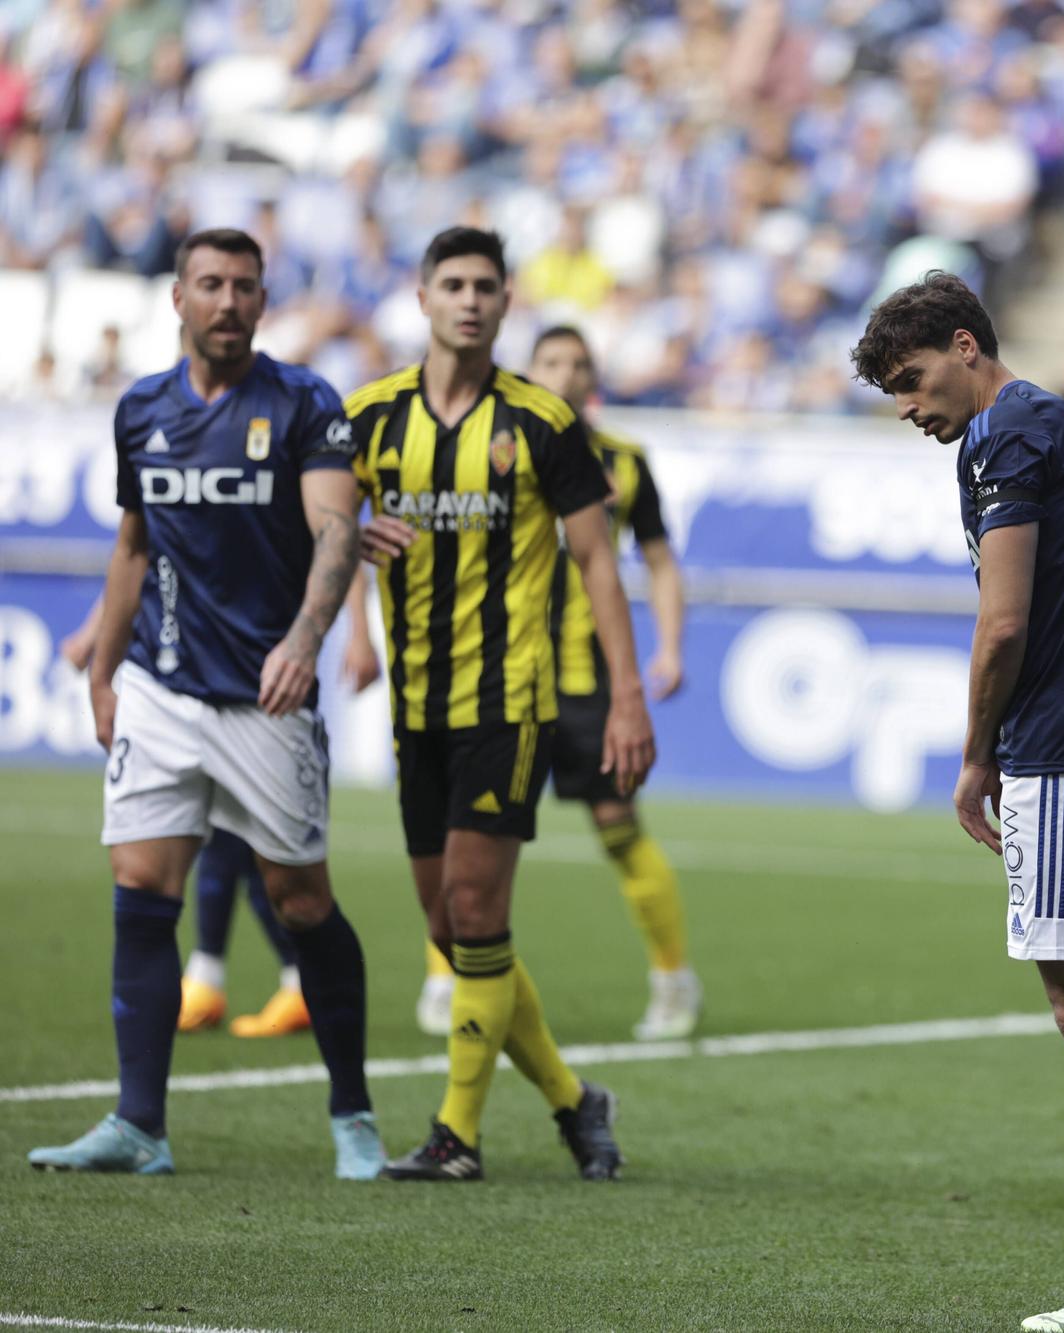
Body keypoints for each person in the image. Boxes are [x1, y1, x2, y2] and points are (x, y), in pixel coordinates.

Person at [850, 272, 1064, 1333]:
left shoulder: (1000, 437)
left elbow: (1000, 624)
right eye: (896, 396)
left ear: (967, 345)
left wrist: (976, 757)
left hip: (1058, 751)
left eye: (915, 382)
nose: (912, 408)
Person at [28, 229, 381, 1180]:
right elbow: (133, 547)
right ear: (178, 299)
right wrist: (105, 675)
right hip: (159, 683)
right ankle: (139, 1124)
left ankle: (353, 1109)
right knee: (142, 888)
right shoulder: (141, 407)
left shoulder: (304, 402)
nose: (228, 301)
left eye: (245, 287)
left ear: (265, 303)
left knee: (300, 898)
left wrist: (307, 638)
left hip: (265, 691)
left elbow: (336, 530)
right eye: (210, 285)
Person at [348, 226, 655, 1183]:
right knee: (452, 927)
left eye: (486, 285)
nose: (470, 300)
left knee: (477, 909)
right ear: (422, 295)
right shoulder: (367, 418)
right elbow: (317, 522)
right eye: (454, 284)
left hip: (506, 699)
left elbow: (598, 561)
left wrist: (627, 697)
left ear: (507, 301)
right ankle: (573, 1099)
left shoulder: (543, 424)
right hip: (415, 700)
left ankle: (457, 1134)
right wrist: (352, 551)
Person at [415, 325, 699, 1042]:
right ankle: (444, 974)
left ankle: (673, 977)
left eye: (579, 363)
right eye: (552, 361)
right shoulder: (488, 445)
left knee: (618, 828)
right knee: (465, 827)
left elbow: (661, 560)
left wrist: (668, 646)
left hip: (585, 685)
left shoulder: (624, 464)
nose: (565, 373)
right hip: (498, 671)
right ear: (528, 369)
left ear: (593, 375)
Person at [60, 597, 312, 1037]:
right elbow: (142, 549)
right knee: (221, 833)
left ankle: (282, 979)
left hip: (242, 672)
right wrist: (94, 639)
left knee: (252, 849)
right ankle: (220, 976)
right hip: (188, 671)